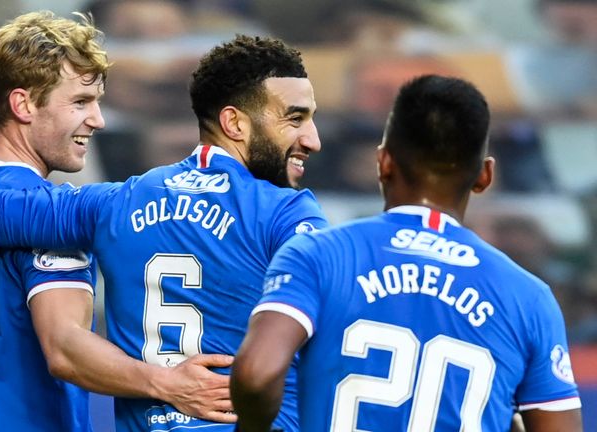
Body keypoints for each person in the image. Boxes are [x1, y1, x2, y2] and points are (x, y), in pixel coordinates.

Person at [0, 34, 327, 431]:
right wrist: (168, 382)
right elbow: (64, 348)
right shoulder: (287, 212)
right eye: (295, 118)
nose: (313, 138)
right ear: (235, 123)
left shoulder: (110, 204)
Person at [229, 74, 583, 431]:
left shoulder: (317, 254)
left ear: (383, 162)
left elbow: (257, 375)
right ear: (485, 176)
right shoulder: (529, 296)